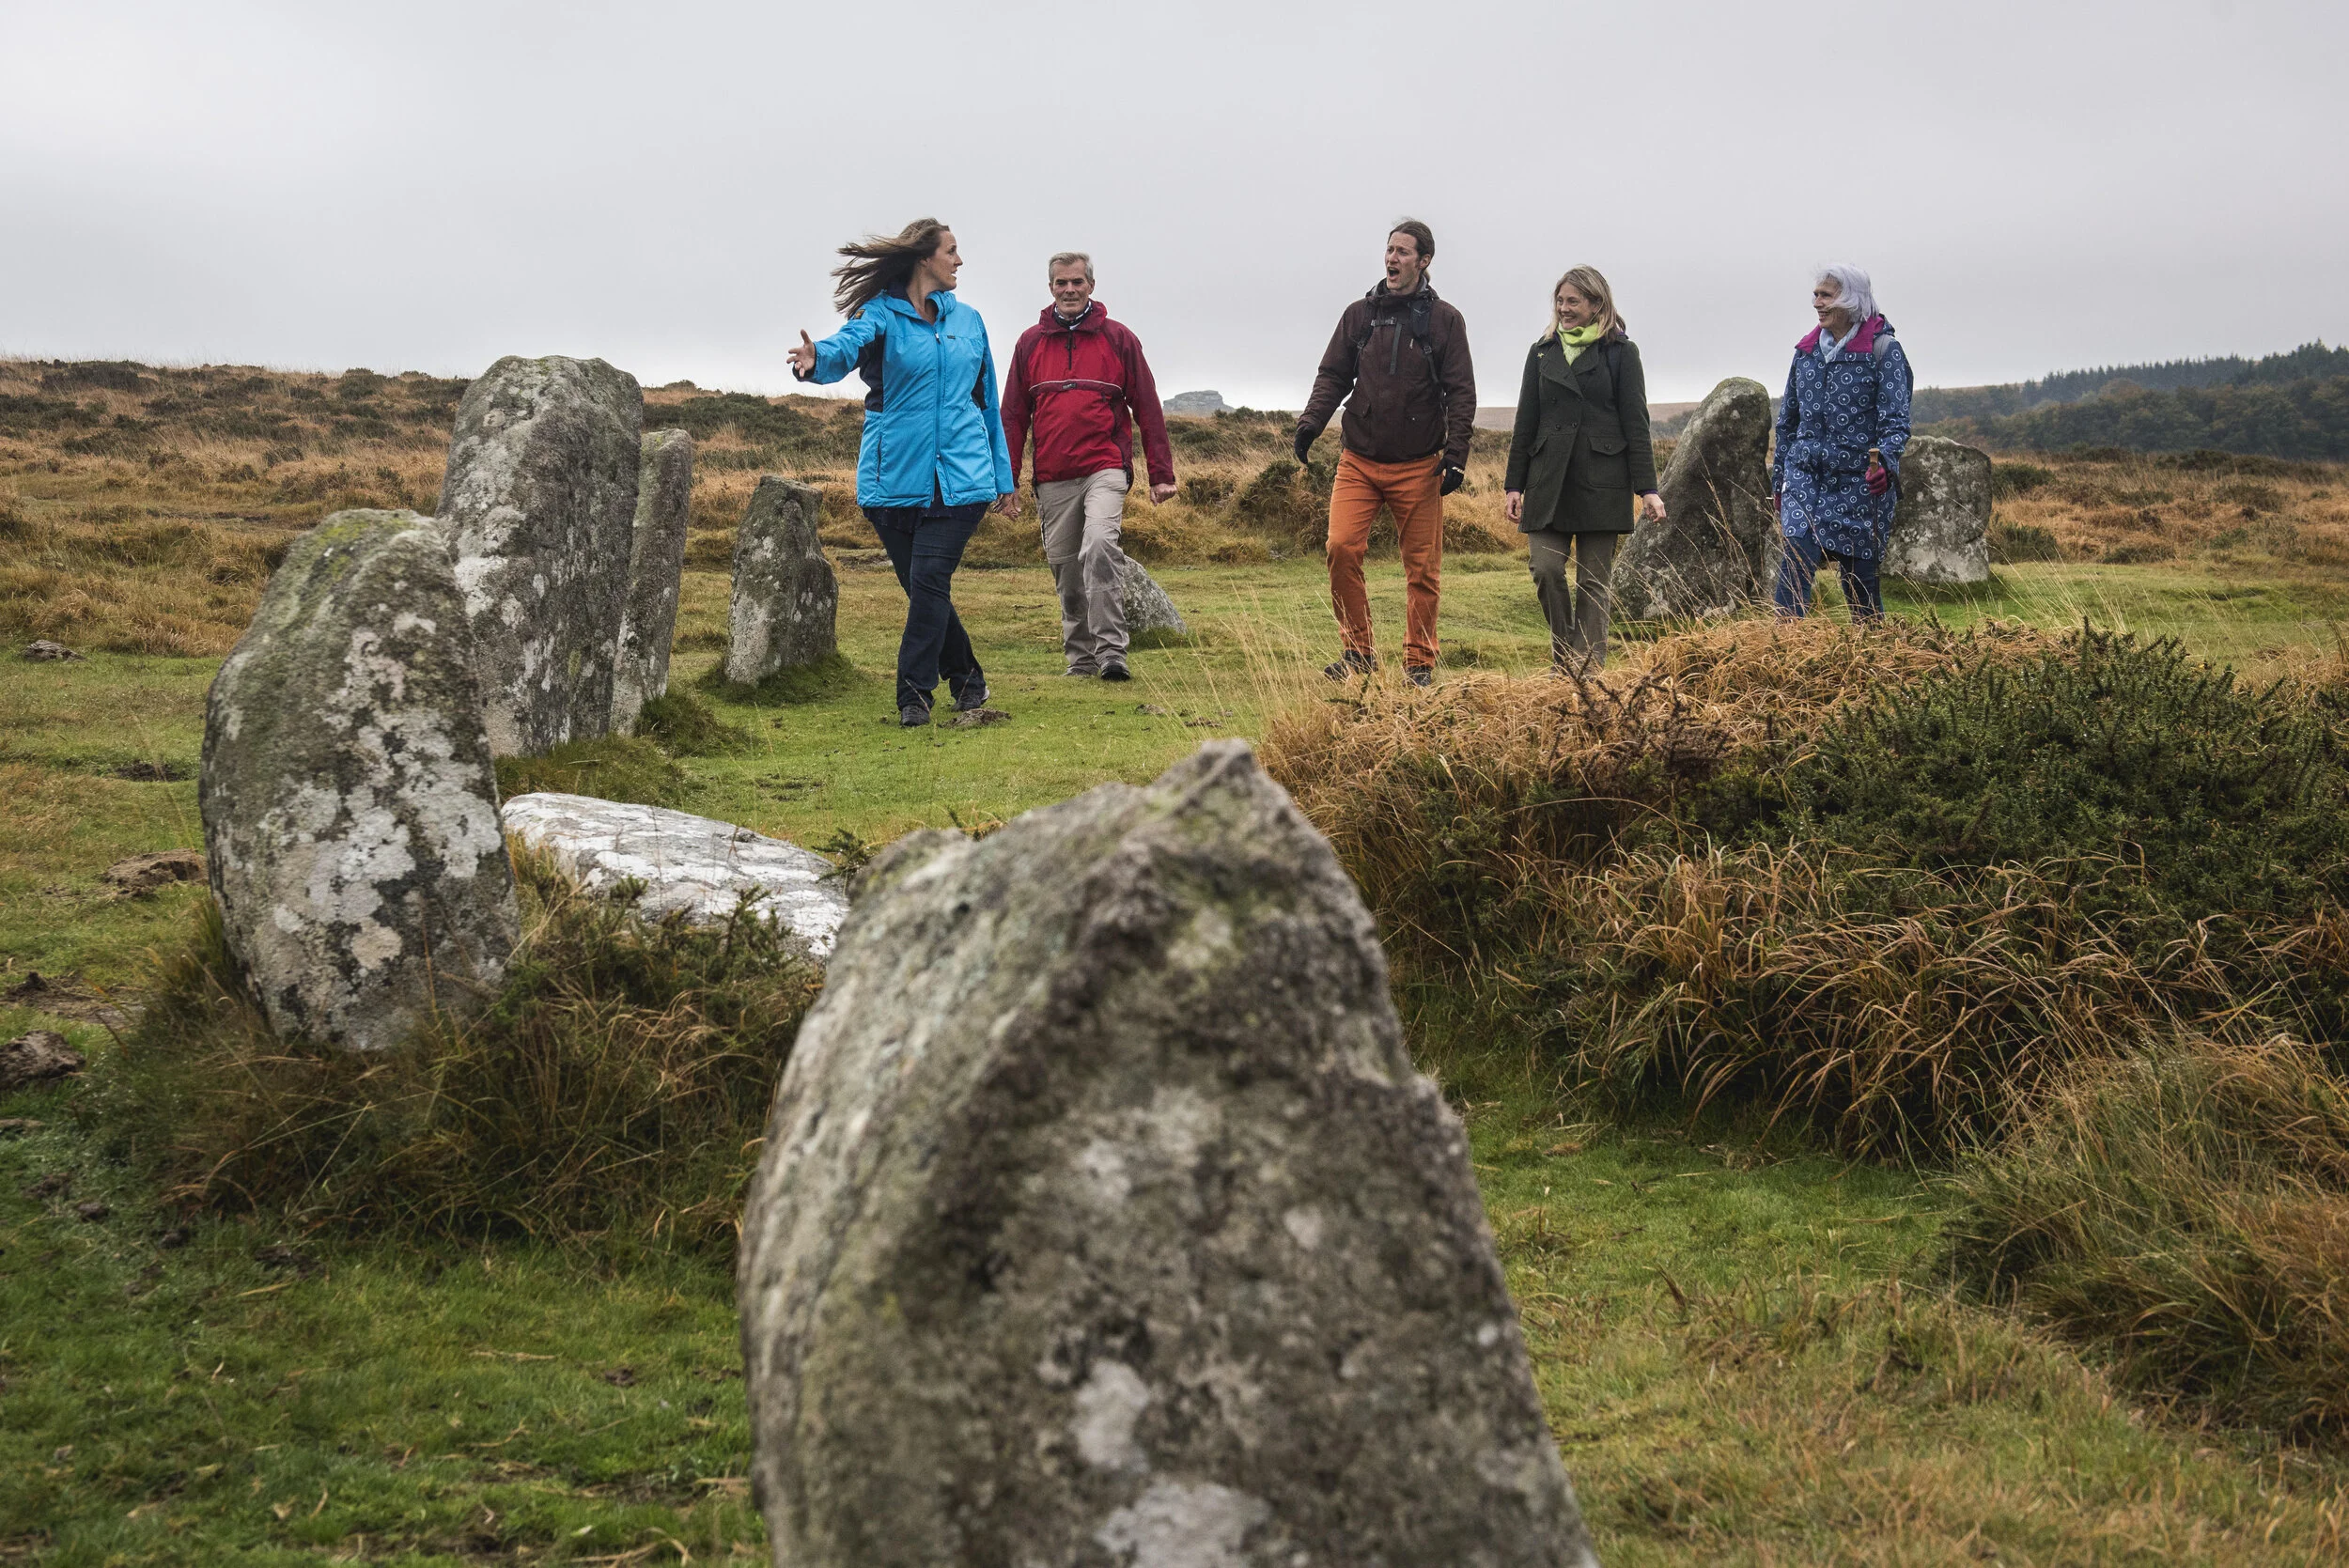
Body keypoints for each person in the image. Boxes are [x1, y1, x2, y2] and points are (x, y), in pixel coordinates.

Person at [787, 219, 1016, 726]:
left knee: (930, 579)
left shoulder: (970, 322)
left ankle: (914, 693)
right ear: (923, 258)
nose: (960, 261)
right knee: (924, 588)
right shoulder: (880, 317)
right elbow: (846, 346)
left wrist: (1004, 480)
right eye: (952, 252)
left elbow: (988, 405)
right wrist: (815, 358)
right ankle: (968, 678)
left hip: (963, 478)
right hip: (892, 481)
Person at [1295, 219, 1476, 687]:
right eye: (1389, 250)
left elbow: (1461, 393)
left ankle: (1419, 661)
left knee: (1422, 569)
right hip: (1358, 460)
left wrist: (1456, 456)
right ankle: (1357, 652)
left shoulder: (1445, 321)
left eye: (1402, 252)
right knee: (1341, 548)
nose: (1392, 259)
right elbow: (1332, 375)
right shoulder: (1359, 315)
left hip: (1420, 465)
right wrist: (1311, 423)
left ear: (1424, 261)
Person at [998, 251, 1177, 682]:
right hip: (1054, 475)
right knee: (1066, 570)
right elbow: (1012, 416)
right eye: (1061, 283)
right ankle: (1079, 660)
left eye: (1077, 282)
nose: (1069, 290)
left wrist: (1161, 474)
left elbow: (1148, 407)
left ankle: (1112, 652)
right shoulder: (1029, 344)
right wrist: (1006, 481)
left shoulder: (1119, 339)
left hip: (1105, 467)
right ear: (1051, 288)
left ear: (1091, 286)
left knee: (1098, 546)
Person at [1501, 266, 1664, 671]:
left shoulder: (1622, 353)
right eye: (1560, 301)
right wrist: (1513, 485)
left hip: (1601, 481)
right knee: (1546, 570)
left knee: (1593, 584)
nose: (1564, 308)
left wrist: (1648, 489)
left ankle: (1586, 673)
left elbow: (1635, 423)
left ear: (1597, 304)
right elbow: (1526, 422)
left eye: (1573, 301)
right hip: (1548, 480)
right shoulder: (1541, 351)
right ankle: (1565, 657)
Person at [1770, 264, 1913, 623]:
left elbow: (1896, 424)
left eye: (1825, 295)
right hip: (1805, 479)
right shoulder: (1805, 353)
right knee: (1795, 563)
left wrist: (1886, 466)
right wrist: (1778, 483)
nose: (1816, 302)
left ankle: (1873, 662)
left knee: (1860, 590)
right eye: (1816, 294)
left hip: (1859, 486)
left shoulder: (1884, 351)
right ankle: (1779, 657)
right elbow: (1787, 422)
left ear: (1851, 300)